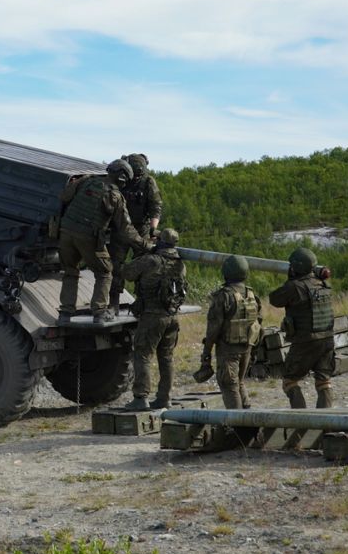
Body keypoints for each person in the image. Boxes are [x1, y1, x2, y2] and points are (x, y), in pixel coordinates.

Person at [57, 159, 151, 325]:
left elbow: (64, 196)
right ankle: (99, 312)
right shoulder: (115, 196)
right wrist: (145, 245)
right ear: (123, 178)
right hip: (89, 237)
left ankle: (65, 313)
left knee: (70, 271)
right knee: (105, 272)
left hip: (66, 232)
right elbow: (126, 230)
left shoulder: (86, 181)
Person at [120, 228, 187, 411]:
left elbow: (127, 273)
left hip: (152, 316)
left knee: (142, 355)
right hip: (172, 316)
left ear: (160, 242)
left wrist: (143, 252)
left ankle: (141, 398)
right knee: (167, 358)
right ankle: (164, 398)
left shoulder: (150, 260)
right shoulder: (181, 264)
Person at [268, 248, 335, 409]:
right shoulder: (322, 284)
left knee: (289, 381)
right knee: (323, 381)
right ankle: (326, 420)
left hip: (305, 342)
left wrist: (290, 280)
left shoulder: (295, 286)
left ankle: (300, 419)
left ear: (297, 267)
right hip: (327, 340)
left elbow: (274, 299)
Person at [198, 255, 262, 409]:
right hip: (247, 348)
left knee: (229, 386)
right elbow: (259, 324)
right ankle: (247, 416)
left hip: (228, 350)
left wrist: (206, 353)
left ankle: (237, 421)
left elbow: (213, 329)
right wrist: (254, 349)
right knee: (239, 382)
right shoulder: (251, 295)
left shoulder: (223, 296)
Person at [108, 153, 163, 312]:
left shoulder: (148, 182)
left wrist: (152, 229)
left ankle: (141, 302)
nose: (136, 178)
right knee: (116, 265)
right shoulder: (122, 179)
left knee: (144, 265)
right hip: (121, 227)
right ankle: (113, 303)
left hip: (141, 228)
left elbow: (156, 207)